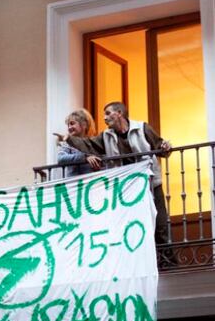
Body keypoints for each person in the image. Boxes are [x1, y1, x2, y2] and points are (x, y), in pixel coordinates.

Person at [67, 101, 171, 250]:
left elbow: (161, 147)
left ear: (119, 113)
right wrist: (69, 139)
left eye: (108, 113)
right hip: (126, 189)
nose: (104, 118)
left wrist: (166, 147)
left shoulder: (142, 128)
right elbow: (89, 145)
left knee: (160, 224)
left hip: (151, 184)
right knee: (132, 225)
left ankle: (168, 263)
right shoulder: (106, 136)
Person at [55, 109, 101, 177]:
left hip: (91, 182)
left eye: (72, 123)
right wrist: (84, 158)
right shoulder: (67, 143)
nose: (69, 127)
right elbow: (60, 158)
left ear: (84, 124)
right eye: (68, 125)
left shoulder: (93, 142)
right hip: (74, 184)